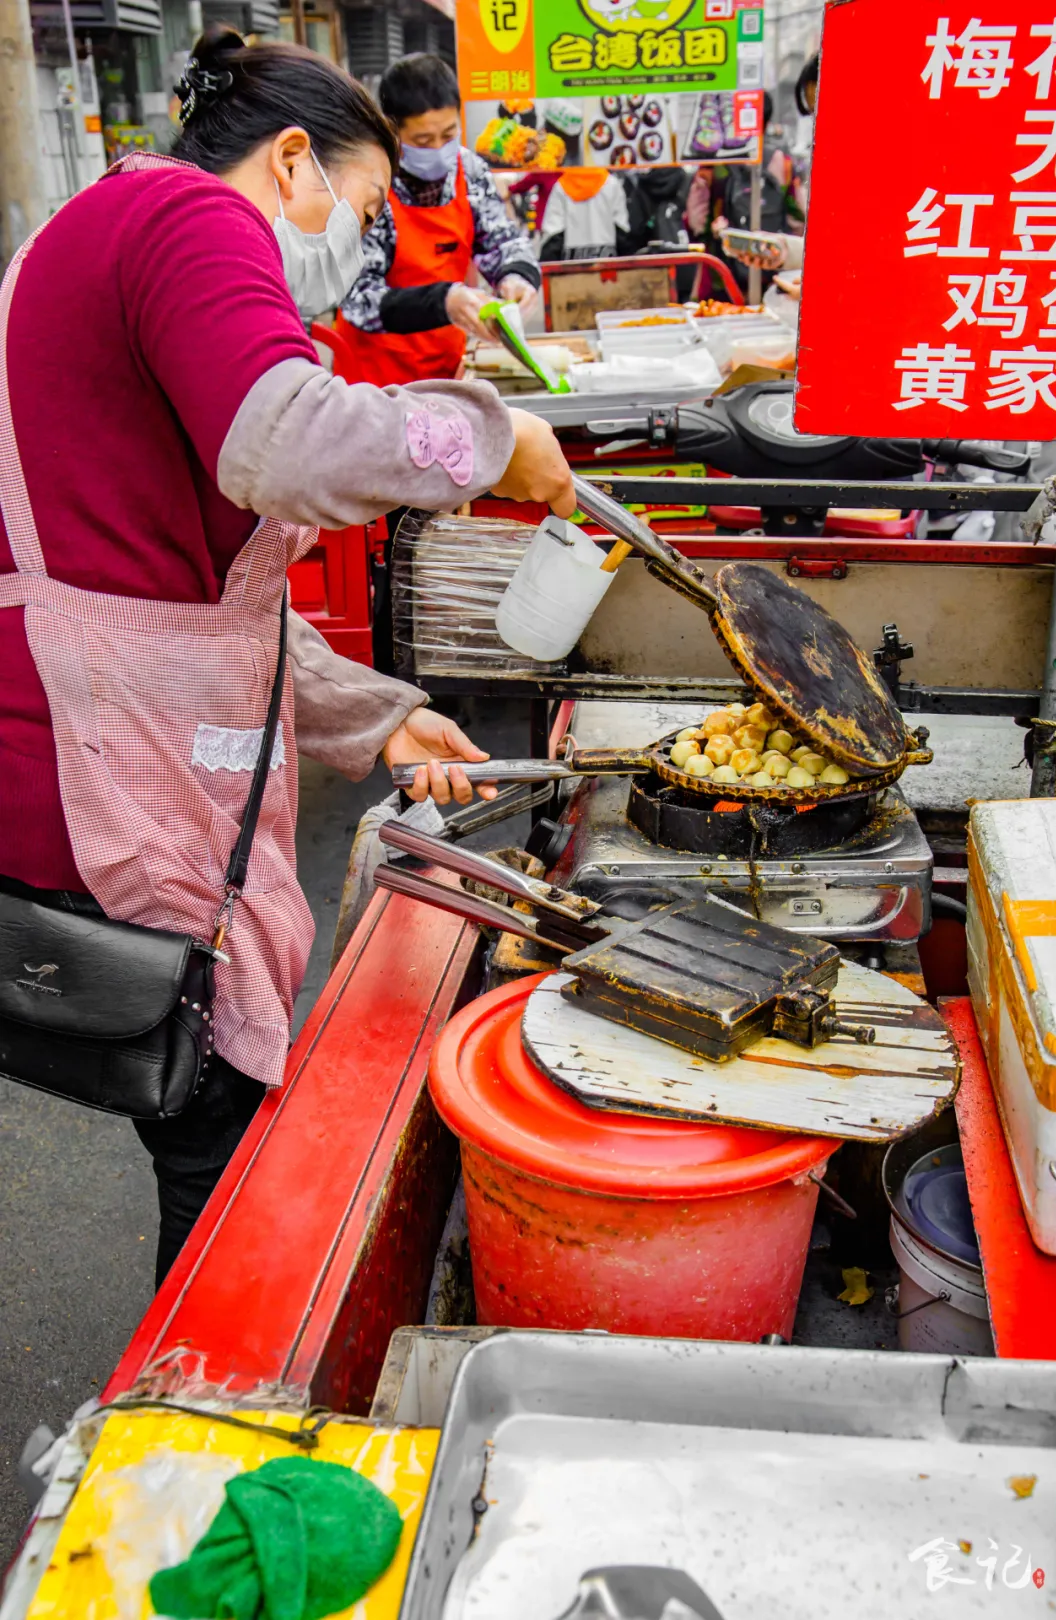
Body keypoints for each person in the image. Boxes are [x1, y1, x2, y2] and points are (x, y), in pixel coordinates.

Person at [0, 27, 574, 1288]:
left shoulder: (92, 232)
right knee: (215, 1131)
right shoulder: (187, 221)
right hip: (109, 771)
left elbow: (197, 597)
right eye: (365, 206)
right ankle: (193, 1415)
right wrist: (496, 439)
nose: (362, 244)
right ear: (295, 159)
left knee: (204, 1118)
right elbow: (286, 440)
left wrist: (376, 720)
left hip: (96, 728)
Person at [336, 54, 541, 386]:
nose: (438, 149)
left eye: (448, 135)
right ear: (392, 130)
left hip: (448, 369)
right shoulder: (368, 185)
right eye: (422, 141)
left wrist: (516, 276)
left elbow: (502, 241)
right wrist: (443, 301)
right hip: (376, 380)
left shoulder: (470, 171)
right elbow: (358, 298)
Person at [685, 91, 806, 290]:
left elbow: (696, 219)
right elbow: (798, 218)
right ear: (766, 122)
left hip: (723, 276)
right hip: (773, 273)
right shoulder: (782, 163)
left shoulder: (715, 163)